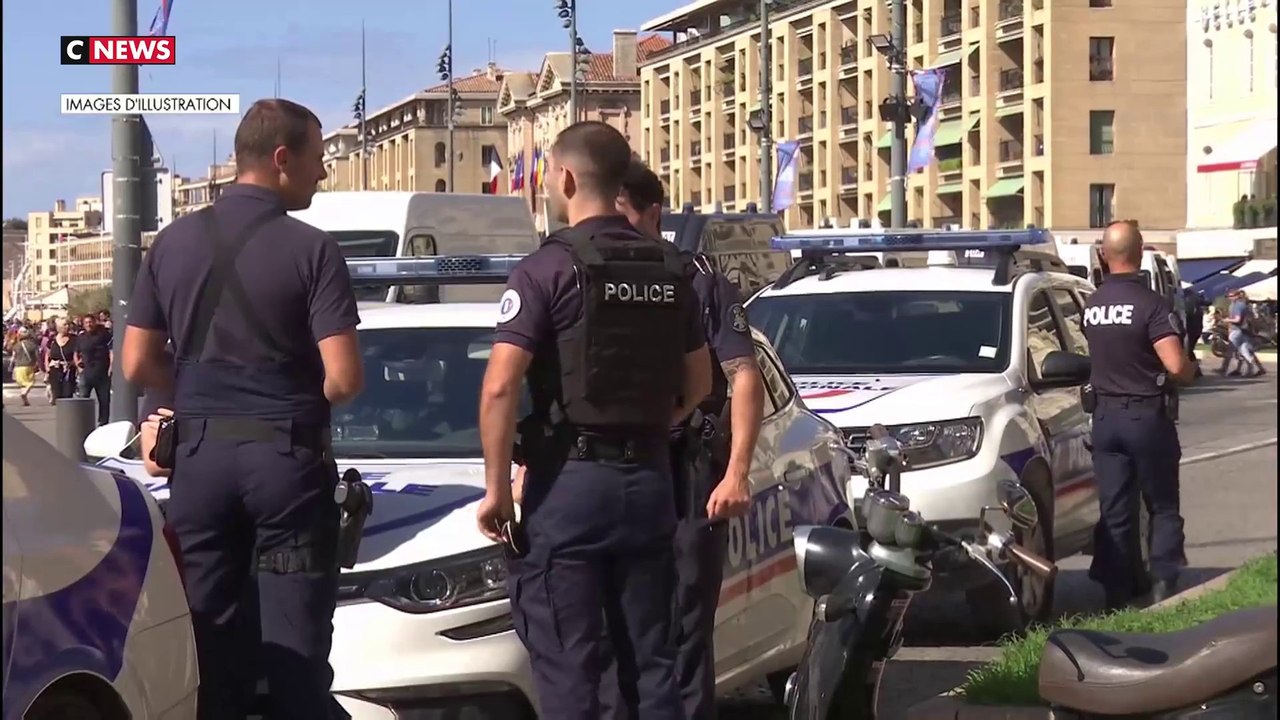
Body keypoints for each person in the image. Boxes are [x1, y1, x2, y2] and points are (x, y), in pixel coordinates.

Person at [121, 98, 364, 720]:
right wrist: (283, 404)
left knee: (212, 651)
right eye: (317, 159)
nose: (322, 173)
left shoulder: (172, 243)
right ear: (282, 159)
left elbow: (136, 363)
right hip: (285, 469)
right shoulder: (311, 249)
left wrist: (198, 396)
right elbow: (342, 378)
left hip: (199, 466)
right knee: (295, 651)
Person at [476, 121, 712, 720]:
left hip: (571, 487)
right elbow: (700, 384)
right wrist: (652, 424)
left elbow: (501, 385)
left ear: (567, 177)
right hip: (651, 482)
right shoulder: (670, 267)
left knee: (569, 665)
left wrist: (497, 490)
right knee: (653, 661)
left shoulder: (547, 270)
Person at [600, 159, 763, 720]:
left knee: (686, 627)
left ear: (653, 214)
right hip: (614, 472)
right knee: (615, 629)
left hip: (685, 470)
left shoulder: (699, 280)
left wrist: (736, 472)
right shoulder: (588, 274)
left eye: (626, 217)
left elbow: (744, 375)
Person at [1081, 220, 1193, 610]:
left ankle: (1116, 594)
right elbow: (1175, 364)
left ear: (1103, 255)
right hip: (1145, 417)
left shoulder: (1092, 305)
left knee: (1115, 508)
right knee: (1161, 504)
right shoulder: (1151, 305)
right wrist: (1190, 370)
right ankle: (1162, 583)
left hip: (1105, 421)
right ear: (1140, 251)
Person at [74, 312, 113, 425]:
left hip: (102, 372)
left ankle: (103, 423)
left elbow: (111, 350)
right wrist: (78, 365)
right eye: (86, 322)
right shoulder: (81, 337)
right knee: (83, 399)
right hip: (86, 373)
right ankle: (82, 422)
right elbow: (76, 352)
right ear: (83, 324)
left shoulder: (104, 334)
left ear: (94, 323)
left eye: (90, 322)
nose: (89, 324)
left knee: (104, 401)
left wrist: (111, 366)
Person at [1221, 289, 1266, 377]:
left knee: (1232, 350)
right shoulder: (1243, 305)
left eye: (1231, 296)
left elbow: (1237, 319)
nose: (1230, 298)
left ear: (1238, 296)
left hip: (1238, 329)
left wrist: (1227, 320)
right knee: (1244, 350)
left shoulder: (1238, 305)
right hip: (1244, 330)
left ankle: (1224, 369)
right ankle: (1254, 369)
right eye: (1229, 296)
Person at [45, 318, 77, 404]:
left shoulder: (74, 339)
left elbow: (78, 354)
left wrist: (75, 364)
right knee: (57, 393)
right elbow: (47, 355)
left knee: (68, 393)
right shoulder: (52, 340)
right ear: (58, 327)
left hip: (69, 370)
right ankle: (60, 414)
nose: (67, 326)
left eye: (68, 324)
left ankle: (68, 414)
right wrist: (47, 368)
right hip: (55, 369)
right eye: (65, 325)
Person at [10, 327, 39, 406]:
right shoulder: (32, 345)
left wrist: (11, 366)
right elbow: (37, 356)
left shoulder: (16, 345)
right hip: (28, 366)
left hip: (18, 367)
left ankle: (25, 400)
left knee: (23, 384)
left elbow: (13, 356)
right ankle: (24, 393)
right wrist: (38, 364)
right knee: (31, 382)